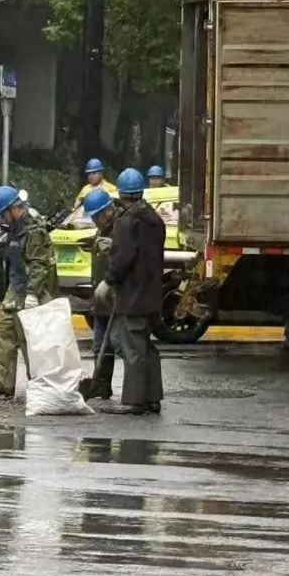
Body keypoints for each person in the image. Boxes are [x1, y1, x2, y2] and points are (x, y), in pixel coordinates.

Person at [95, 167, 165, 414]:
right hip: (153, 294)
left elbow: (122, 257)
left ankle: (134, 401)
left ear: (122, 194)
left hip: (133, 295)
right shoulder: (155, 219)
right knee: (147, 346)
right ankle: (153, 398)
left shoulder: (126, 222)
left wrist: (109, 280)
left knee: (133, 348)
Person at [0, 185, 57, 398]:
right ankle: (3, 383)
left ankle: (40, 385)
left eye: (2, 215)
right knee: (3, 331)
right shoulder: (15, 229)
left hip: (31, 290)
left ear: (13, 210)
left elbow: (39, 264)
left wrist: (33, 294)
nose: (2, 220)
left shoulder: (34, 231)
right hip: (15, 289)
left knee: (27, 339)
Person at [82, 187, 122, 400]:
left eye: (97, 216)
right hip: (100, 298)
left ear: (107, 211)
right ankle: (102, 384)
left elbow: (124, 258)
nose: (95, 221)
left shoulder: (120, 229)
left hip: (114, 296)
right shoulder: (102, 230)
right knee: (99, 344)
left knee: (116, 342)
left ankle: (110, 383)